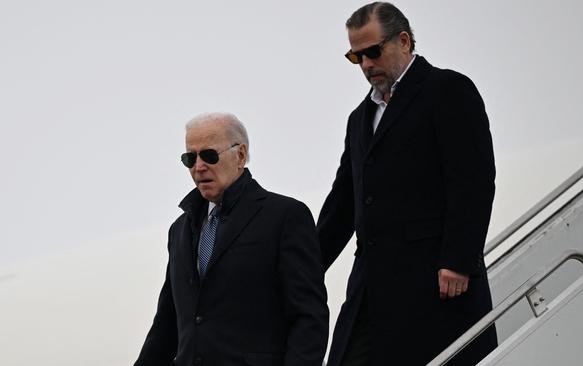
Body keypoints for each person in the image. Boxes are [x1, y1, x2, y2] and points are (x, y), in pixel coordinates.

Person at [318, 3, 497, 365]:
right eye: (357, 57)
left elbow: (473, 179)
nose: (367, 64)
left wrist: (459, 259)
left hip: (436, 283)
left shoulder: (448, 89)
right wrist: (303, 266)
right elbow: (343, 202)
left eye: (373, 52)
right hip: (371, 287)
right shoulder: (359, 118)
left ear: (403, 40)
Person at [135, 112, 329, 366]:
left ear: (240, 155)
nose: (199, 167)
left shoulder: (284, 216)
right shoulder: (179, 230)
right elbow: (167, 324)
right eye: (190, 158)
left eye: (209, 155)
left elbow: (308, 317)